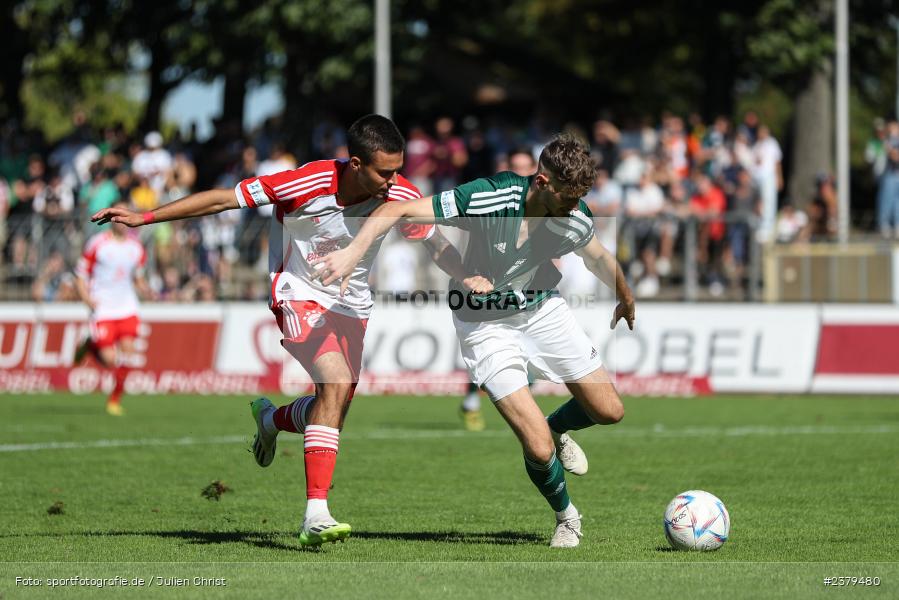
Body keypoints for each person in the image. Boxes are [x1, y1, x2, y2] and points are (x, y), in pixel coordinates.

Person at [90, 114, 481, 547]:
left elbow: (436, 242)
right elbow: (224, 200)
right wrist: (145, 218)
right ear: (354, 164)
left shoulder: (400, 192)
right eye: (384, 171)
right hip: (297, 292)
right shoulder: (305, 181)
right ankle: (316, 514)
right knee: (334, 384)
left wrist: (467, 277)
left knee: (333, 407)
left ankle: (270, 419)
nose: (394, 180)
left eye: (397, 169)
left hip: (353, 307)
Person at [313, 134, 636, 548]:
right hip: (483, 325)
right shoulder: (489, 197)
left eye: (579, 200)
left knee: (609, 411)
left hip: (542, 309)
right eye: (566, 199)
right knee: (537, 450)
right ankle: (567, 516)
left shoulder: (573, 216)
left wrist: (626, 298)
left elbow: (600, 259)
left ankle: (556, 427)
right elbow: (396, 209)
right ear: (540, 183)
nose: (574, 209)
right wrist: (351, 253)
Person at [459, 147, 538, 431]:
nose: (519, 173)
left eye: (524, 167)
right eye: (513, 166)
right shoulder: (494, 203)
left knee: (528, 351)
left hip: (527, 290)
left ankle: (520, 407)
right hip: (488, 289)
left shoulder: (540, 204)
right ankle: (472, 401)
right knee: (491, 351)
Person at [74, 200, 150, 416]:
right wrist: (87, 299)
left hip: (127, 307)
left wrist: (148, 291)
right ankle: (90, 346)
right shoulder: (97, 243)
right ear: (110, 218)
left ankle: (114, 401)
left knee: (128, 357)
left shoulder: (136, 248)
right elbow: (80, 275)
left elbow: (138, 278)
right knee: (110, 360)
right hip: (103, 308)